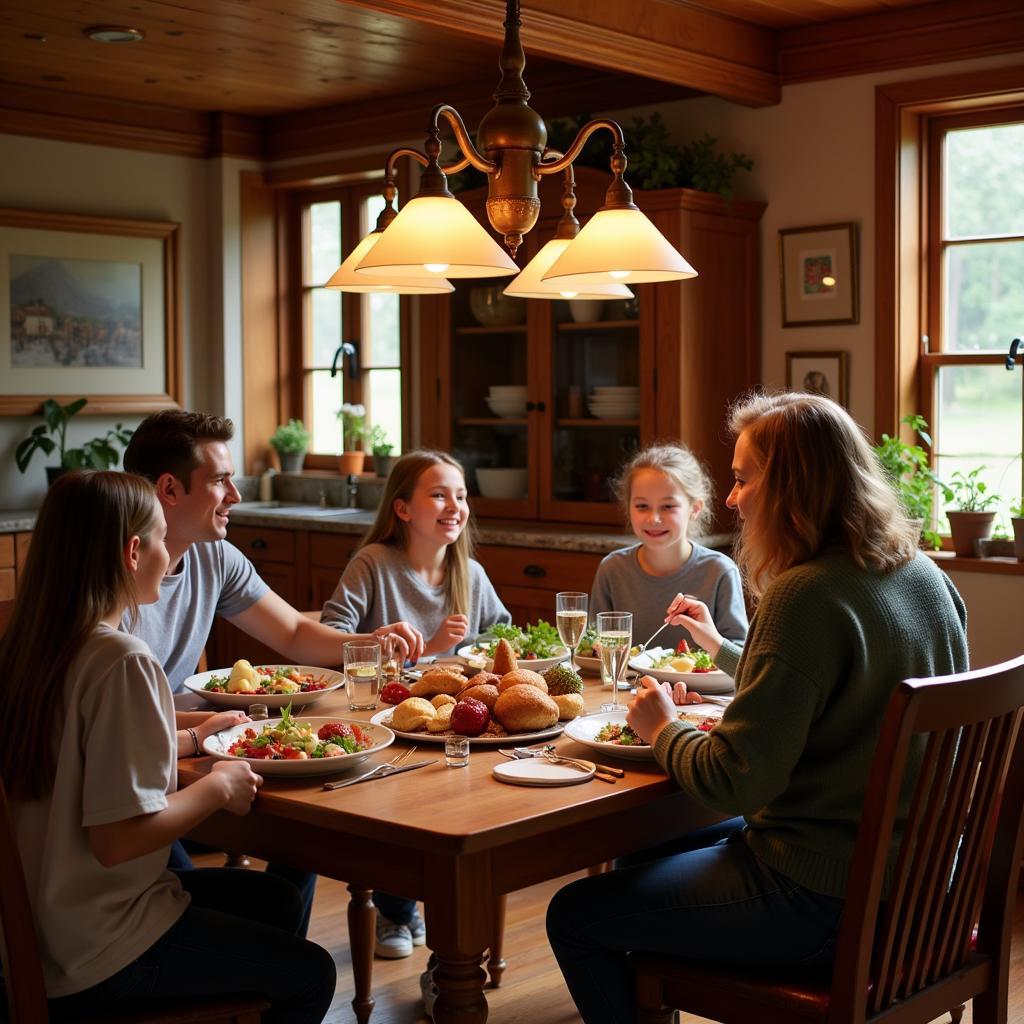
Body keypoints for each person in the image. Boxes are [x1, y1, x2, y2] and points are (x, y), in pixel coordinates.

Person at [546, 391, 969, 1024]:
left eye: (744, 479)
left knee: (574, 916)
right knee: (642, 854)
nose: (734, 499)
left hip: (823, 896)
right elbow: (828, 684)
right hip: (919, 888)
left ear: (791, 485)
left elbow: (734, 780)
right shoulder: (922, 574)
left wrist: (661, 727)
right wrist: (721, 649)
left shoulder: (806, 594)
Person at [0, 471, 336, 1021]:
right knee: (311, 974)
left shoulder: (32, 648)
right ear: (134, 551)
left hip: (37, 932)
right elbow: (118, 839)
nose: (169, 555)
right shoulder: (123, 661)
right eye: (161, 539)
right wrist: (218, 787)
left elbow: (88, 766)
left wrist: (190, 746)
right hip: (101, 943)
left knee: (274, 899)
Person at [121, 409, 424, 935]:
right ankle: (264, 968)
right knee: (217, 901)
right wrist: (202, 733)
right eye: (220, 480)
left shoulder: (215, 557)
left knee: (301, 829)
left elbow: (291, 633)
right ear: (169, 489)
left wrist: (368, 641)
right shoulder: (117, 577)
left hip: (176, 747)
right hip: (138, 768)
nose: (235, 495)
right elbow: (112, 718)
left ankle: (271, 966)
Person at [321, 449, 510, 959]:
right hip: (389, 715)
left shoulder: (468, 571)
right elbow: (333, 635)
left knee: (460, 809)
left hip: (457, 720)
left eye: (462, 495)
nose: (455, 505)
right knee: (400, 802)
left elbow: (505, 642)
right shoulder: (374, 564)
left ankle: (451, 935)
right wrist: (420, 640)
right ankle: (396, 908)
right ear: (402, 509)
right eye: (439, 494)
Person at [589, 442, 747, 653]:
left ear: (695, 509)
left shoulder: (719, 571)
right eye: (642, 506)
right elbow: (593, 644)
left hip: (699, 687)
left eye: (668, 506)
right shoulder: (612, 568)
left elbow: (741, 657)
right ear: (628, 508)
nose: (654, 519)